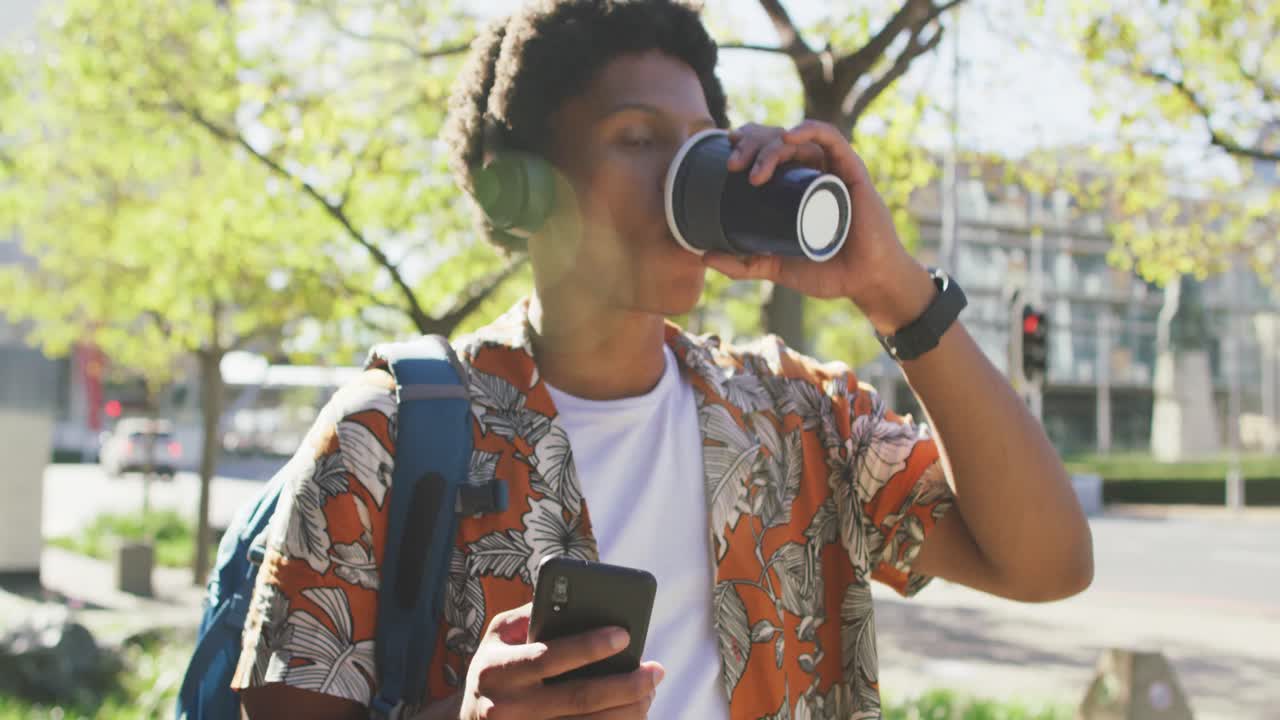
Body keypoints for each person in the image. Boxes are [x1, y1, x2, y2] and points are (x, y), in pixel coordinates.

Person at [233, 1, 1094, 718]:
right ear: (521, 188)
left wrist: (897, 291)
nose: (692, 175)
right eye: (639, 138)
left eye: (704, 142)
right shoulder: (383, 439)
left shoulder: (798, 414)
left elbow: (1048, 564)